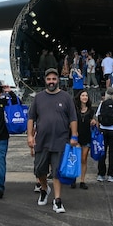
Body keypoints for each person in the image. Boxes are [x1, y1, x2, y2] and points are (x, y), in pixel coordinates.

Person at [27, 67, 79, 213]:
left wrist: (74, 135)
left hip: (60, 140)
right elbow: (31, 118)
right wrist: (30, 136)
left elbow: (73, 118)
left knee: (57, 172)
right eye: (49, 79)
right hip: (42, 141)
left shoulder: (66, 97)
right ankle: (44, 189)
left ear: (58, 80)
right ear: (45, 80)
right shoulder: (38, 97)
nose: (51, 82)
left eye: (54, 79)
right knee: (39, 170)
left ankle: (57, 200)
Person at [95, 88, 113, 183]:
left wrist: (98, 128)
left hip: (103, 130)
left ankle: (101, 174)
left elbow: (97, 117)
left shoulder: (102, 104)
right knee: (112, 153)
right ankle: (111, 175)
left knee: (102, 153)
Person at [73, 89, 95, 189]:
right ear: (79, 97)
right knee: (75, 158)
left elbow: (94, 121)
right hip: (76, 136)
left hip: (87, 136)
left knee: (84, 158)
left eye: (86, 95)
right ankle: (73, 178)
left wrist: (94, 121)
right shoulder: (74, 109)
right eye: (83, 95)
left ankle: (82, 180)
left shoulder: (91, 110)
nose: (85, 97)